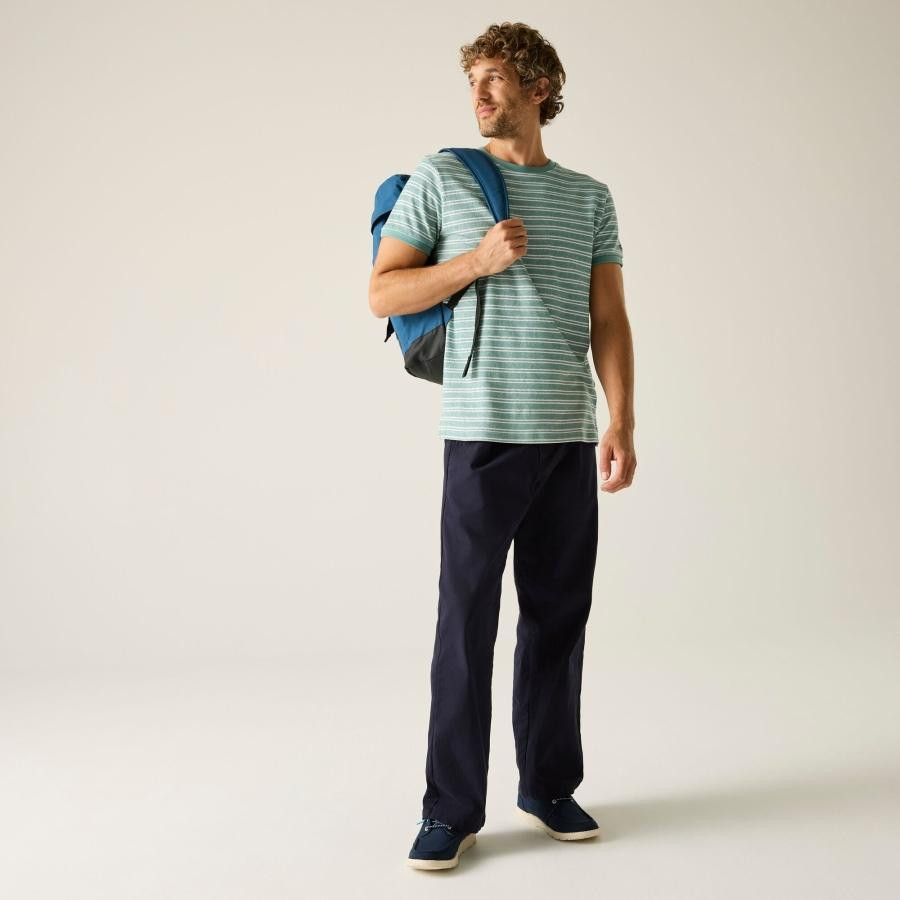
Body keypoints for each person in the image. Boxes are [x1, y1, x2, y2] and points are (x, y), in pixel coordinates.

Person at [368, 21, 637, 871]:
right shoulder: (444, 177)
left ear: (538, 87)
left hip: (568, 435)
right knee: (466, 622)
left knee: (558, 619)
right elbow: (382, 292)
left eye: (494, 77)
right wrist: (475, 263)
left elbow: (609, 316)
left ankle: (548, 786)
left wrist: (622, 419)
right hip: (482, 432)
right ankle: (450, 809)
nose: (479, 93)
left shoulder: (589, 196)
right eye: (473, 79)